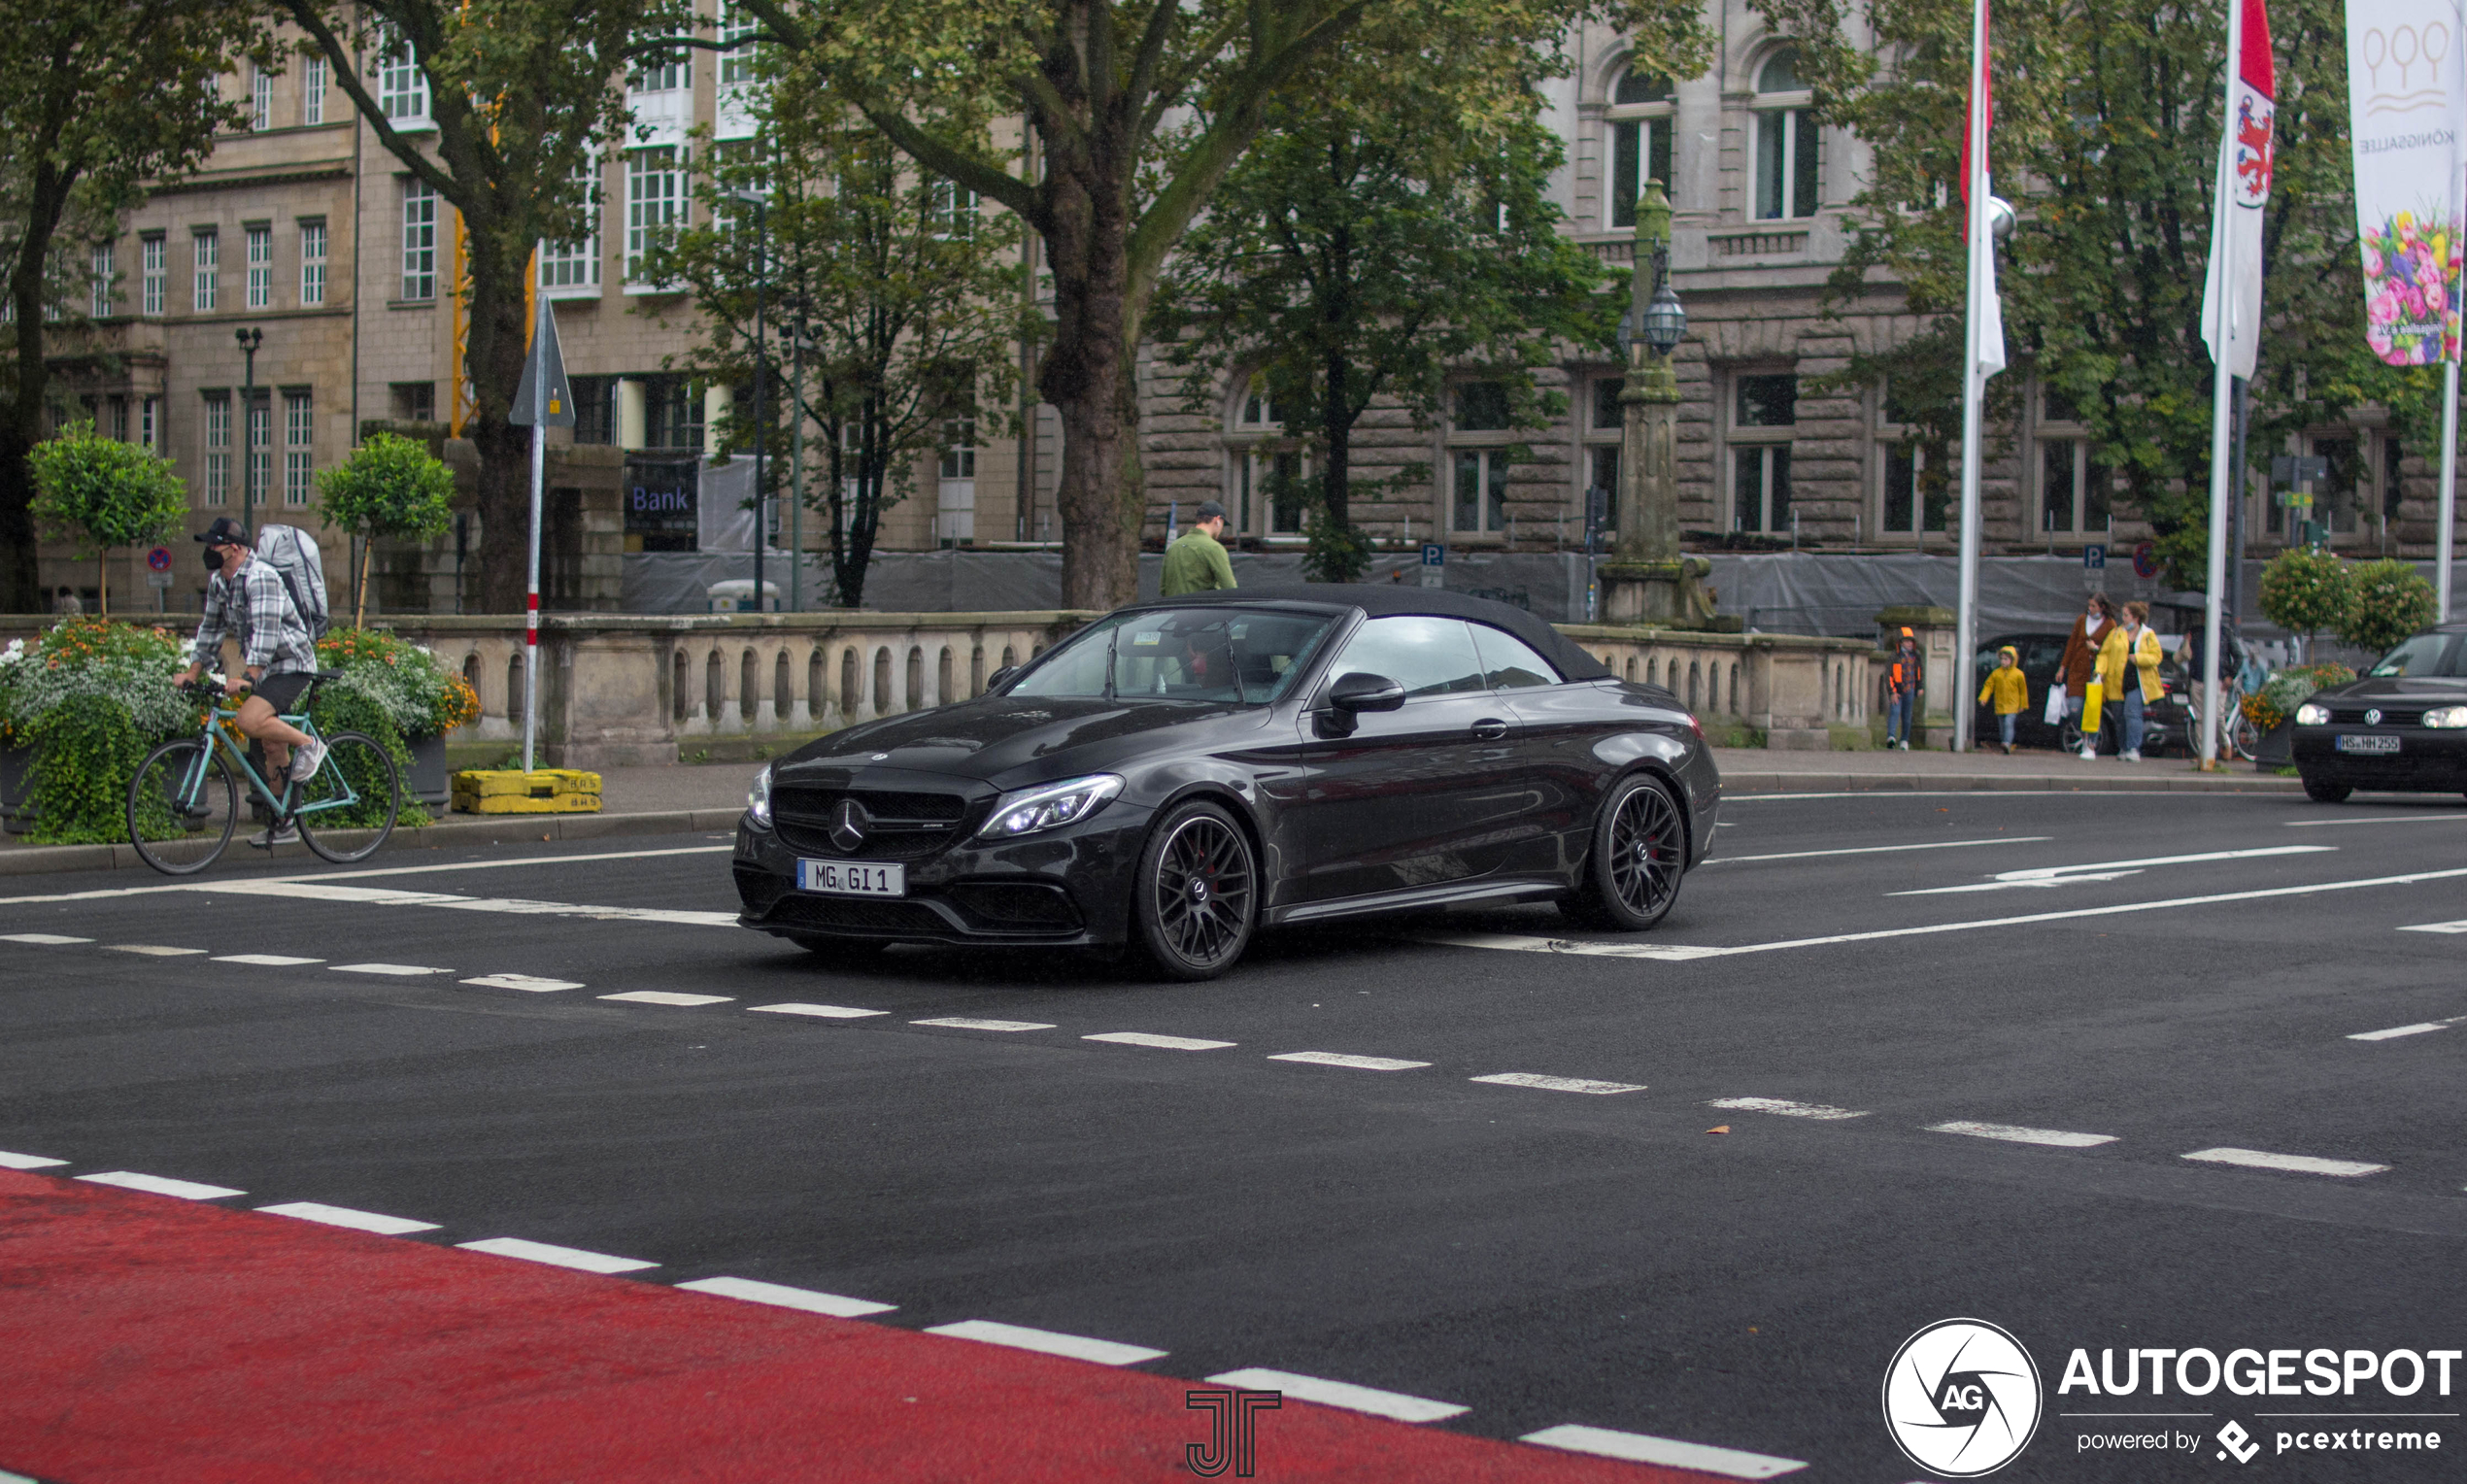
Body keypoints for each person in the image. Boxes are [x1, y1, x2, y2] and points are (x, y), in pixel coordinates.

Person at [174, 517, 324, 847]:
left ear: (237, 548)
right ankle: (285, 825)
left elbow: (267, 631)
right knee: (271, 744)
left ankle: (311, 746)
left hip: (291, 663)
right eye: (208, 544)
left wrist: (248, 677)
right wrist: (192, 673)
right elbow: (210, 630)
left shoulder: (261, 577)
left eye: (215, 544)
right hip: (267, 668)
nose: (210, 550)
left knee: (248, 720)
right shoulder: (219, 582)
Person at [2057, 592, 2114, 759]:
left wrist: (2096, 648)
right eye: (2089, 605)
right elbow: (2071, 643)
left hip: (2096, 670)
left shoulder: (2110, 624)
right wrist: (2063, 667)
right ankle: (2084, 737)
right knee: (2075, 707)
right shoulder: (2082, 620)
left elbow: (2112, 649)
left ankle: (2091, 744)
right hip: (2078, 669)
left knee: (2093, 708)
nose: (2090, 609)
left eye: (2093, 606)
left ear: (2102, 607)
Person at [2105, 600, 2164, 761]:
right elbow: (2105, 653)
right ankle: (2123, 747)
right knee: (2119, 717)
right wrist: (2100, 671)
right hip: (2118, 681)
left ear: (2136, 618)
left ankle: (2133, 748)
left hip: (2137, 682)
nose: (2123, 619)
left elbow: (2156, 656)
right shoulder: (2116, 633)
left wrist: (2138, 658)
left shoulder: (2148, 635)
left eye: (2126, 615)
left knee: (2132, 714)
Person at [1160, 499, 1237, 597]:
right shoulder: (1214, 548)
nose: (1221, 529)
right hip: (1203, 610)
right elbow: (1230, 589)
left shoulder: (1174, 547)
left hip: (1174, 610)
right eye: (1223, 524)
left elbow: (1163, 589)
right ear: (1217, 520)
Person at [1977, 645, 2029, 755]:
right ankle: (2005, 743)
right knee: (2002, 727)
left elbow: (2023, 691)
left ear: (2012, 660)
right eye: (2002, 659)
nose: (2003, 661)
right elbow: (1988, 685)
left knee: (2008, 724)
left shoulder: (2018, 675)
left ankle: (2007, 743)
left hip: (2012, 705)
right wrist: (1984, 698)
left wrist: (2022, 705)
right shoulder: (1996, 673)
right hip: (2000, 704)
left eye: (2006, 659)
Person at [1884, 627, 1923, 750]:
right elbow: (1888, 675)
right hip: (1897, 690)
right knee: (1894, 712)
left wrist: (1920, 686)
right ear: (1900, 642)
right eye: (1907, 641)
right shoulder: (1895, 657)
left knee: (1907, 716)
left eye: (1911, 641)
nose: (1909, 643)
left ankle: (1904, 740)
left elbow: (1919, 673)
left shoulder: (1916, 656)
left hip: (1910, 689)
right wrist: (1892, 692)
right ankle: (1891, 737)